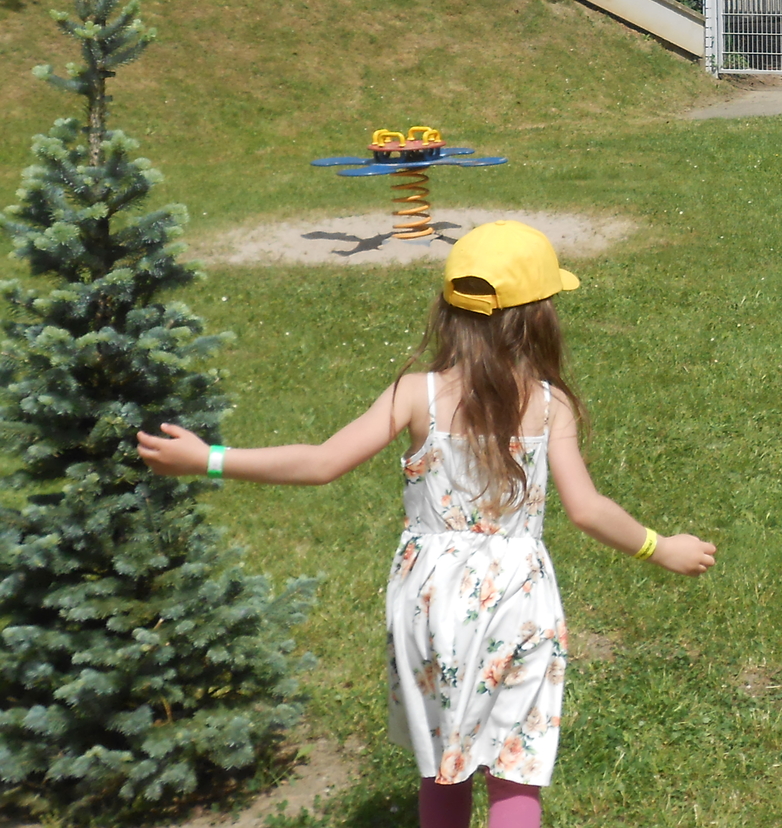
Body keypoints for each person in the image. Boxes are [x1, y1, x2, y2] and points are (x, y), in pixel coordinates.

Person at [138, 220, 716, 828]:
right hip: (517, 599)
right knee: (514, 765)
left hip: (428, 599)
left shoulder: (418, 393)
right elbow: (587, 509)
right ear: (537, 318)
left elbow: (322, 462)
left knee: (443, 758)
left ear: (449, 311)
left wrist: (209, 459)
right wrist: (659, 546)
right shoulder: (549, 405)